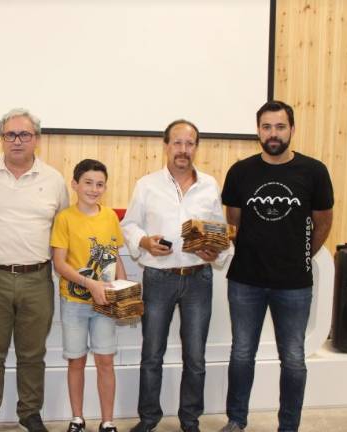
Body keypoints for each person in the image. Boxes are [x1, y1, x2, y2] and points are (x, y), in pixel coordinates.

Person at [218, 101, 333, 432]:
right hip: (245, 281)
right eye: (266, 127)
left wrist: (305, 254)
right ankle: (236, 421)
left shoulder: (313, 171)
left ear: (292, 130)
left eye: (280, 127)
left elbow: (323, 221)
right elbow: (234, 219)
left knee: (294, 359)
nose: (273, 133)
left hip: (294, 284)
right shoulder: (241, 172)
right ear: (258, 130)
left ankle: (288, 426)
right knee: (242, 354)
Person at [121, 120, 228, 432]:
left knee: (195, 357)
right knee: (151, 354)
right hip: (158, 278)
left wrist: (216, 252)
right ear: (166, 146)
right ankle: (149, 418)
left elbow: (219, 230)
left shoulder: (209, 184)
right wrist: (143, 241)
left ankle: (190, 420)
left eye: (190, 143)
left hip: (199, 278)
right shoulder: (147, 184)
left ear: (196, 147)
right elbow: (129, 225)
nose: (183, 150)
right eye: (177, 143)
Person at [0, 108, 69, 432]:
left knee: (32, 353)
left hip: (37, 279)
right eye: (10, 134)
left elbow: (64, 230)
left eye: (24, 134)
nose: (17, 141)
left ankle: (30, 412)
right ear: (1, 138)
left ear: (36, 139)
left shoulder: (54, 180)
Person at [50, 159, 126, 432]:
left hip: (105, 303)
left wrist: (123, 286)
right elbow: (59, 264)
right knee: (77, 360)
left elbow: (115, 255)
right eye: (88, 183)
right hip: (74, 303)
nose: (94, 189)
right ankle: (77, 419)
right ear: (75, 184)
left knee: (105, 360)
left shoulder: (110, 217)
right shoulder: (65, 219)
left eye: (100, 184)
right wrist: (89, 284)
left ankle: (107, 421)